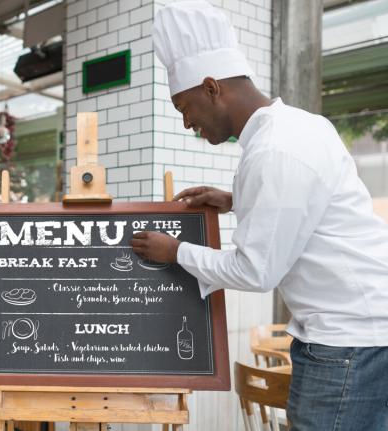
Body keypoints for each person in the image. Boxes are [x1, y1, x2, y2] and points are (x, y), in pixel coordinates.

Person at [130, 2, 388, 430]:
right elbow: (308, 206)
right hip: (364, 334)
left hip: (346, 345)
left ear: (212, 87)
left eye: (184, 107)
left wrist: (175, 251)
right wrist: (234, 200)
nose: (186, 122)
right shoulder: (299, 126)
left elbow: (255, 270)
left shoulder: (274, 150)